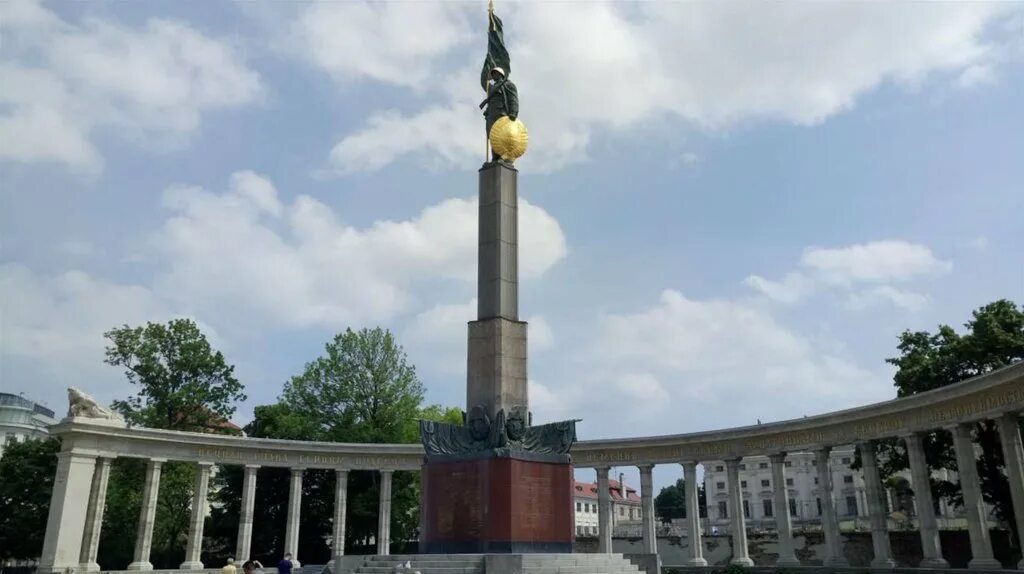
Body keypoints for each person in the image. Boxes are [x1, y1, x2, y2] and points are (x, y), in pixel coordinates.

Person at [479, 67, 519, 161]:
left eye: (495, 73)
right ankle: (495, 157)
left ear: (500, 74)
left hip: (502, 113)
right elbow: (491, 101)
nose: (493, 76)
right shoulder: (492, 87)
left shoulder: (508, 85)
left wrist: (513, 112)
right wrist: (487, 111)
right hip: (492, 114)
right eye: (492, 74)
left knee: (501, 135)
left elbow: (513, 99)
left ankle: (502, 156)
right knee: (492, 136)